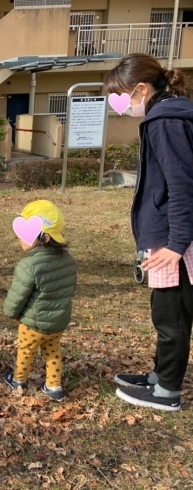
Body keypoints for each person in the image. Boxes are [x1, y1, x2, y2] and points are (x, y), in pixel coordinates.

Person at [104, 53, 193, 412]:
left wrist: (175, 244)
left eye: (120, 97)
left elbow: (182, 186)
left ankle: (167, 392)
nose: (119, 106)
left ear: (140, 89)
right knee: (165, 311)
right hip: (168, 234)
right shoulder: (167, 114)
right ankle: (160, 376)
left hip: (176, 240)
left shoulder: (165, 122)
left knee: (172, 317)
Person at [2, 200, 77, 402]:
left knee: (26, 351)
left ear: (43, 237)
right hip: (58, 322)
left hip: (33, 324)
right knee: (52, 352)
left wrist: (12, 313)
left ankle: (18, 380)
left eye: (25, 233)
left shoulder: (28, 265)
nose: (19, 237)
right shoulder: (68, 260)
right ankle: (54, 387)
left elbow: (17, 297)